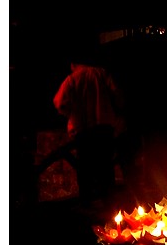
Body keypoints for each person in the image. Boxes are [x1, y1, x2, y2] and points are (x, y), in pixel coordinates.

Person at [53, 45, 124, 205]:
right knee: (105, 166)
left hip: (83, 130)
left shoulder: (72, 80)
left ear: (73, 64)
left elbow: (59, 102)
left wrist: (70, 112)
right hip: (104, 128)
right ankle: (109, 204)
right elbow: (118, 95)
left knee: (85, 168)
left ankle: (88, 203)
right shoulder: (101, 73)